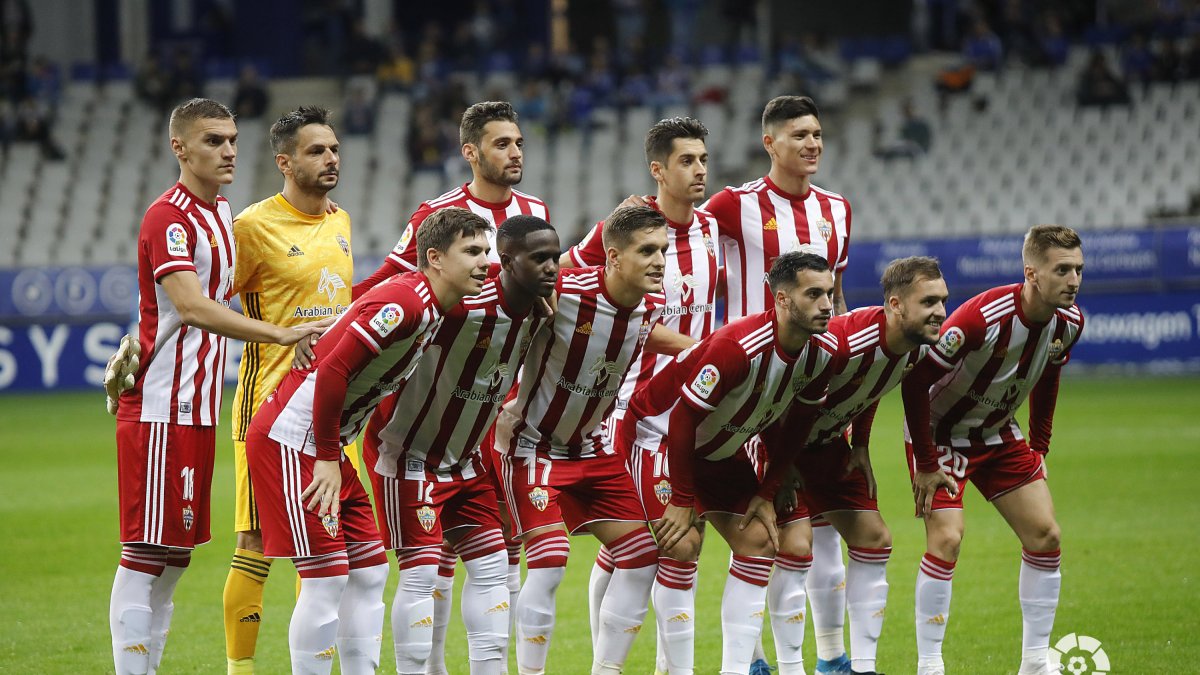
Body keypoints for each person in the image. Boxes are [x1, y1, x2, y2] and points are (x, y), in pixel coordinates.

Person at [107, 98, 323, 675]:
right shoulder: (168, 216)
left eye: (231, 139)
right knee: (145, 556)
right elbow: (192, 305)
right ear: (179, 148)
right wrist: (279, 332)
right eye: (212, 141)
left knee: (175, 557)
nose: (228, 150)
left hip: (199, 406)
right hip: (160, 405)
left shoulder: (221, 213)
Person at [245, 207, 494, 674]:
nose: (484, 262)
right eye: (473, 252)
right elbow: (333, 372)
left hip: (326, 445)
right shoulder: (407, 304)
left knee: (369, 571)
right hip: (292, 441)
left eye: (486, 250)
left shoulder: (436, 301)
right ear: (436, 258)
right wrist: (324, 457)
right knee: (324, 580)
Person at [355, 99, 550, 673]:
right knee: (428, 561)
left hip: (481, 417)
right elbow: (389, 287)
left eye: (518, 143)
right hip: (421, 413)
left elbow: (541, 299)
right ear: (471, 152)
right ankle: (431, 665)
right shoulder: (438, 214)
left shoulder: (534, 211)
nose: (514, 153)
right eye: (500, 144)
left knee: (493, 558)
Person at [620, 251, 844, 675]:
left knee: (758, 541)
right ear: (781, 299)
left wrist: (766, 490)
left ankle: (735, 670)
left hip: (720, 448)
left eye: (829, 293)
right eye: (813, 294)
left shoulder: (821, 354)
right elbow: (683, 418)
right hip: (659, 437)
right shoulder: (737, 346)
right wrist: (683, 498)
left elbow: (797, 426)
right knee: (682, 545)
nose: (826, 305)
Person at [492, 205, 694, 674]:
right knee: (548, 561)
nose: (660, 260)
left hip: (592, 449)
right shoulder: (563, 292)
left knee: (642, 556)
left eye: (663, 249)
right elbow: (507, 285)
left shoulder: (647, 306)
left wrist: (697, 346)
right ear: (613, 256)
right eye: (646, 250)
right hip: (530, 446)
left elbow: (643, 334)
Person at [701, 94, 855, 674]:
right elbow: (678, 235)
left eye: (817, 133)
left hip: (813, 385)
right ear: (770, 143)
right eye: (799, 135)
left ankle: (834, 656)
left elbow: (837, 298)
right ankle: (760, 658)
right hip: (750, 391)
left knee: (824, 527)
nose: (812, 143)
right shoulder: (732, 205)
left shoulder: (838, 209)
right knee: (769, 529)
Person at [561, 116, 718, 675]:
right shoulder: (622, 229)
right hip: (636, 407)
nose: (699, 170)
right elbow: (567, 286)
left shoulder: (709, 231)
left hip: (695, 406)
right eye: (686, 161)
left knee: (648, 547)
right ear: (658, 169)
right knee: (672, 546)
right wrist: (704, 347)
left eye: (703, 159)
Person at [901, 225, 1086, 675]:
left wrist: (1039, 444)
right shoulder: (981, 317)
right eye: (1062, 270)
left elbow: (1048, 372)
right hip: (940, 434)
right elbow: (915, 381)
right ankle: (930, 665)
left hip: (999, 435)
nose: (1074, 280)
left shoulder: (1070, 322)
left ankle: (1036, 663)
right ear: (1032, 273)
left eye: (1078, 269)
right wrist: (925, 462)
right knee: (946, 539)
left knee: (1046, 536)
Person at [221, 105, 353, 675]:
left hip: (329, 412)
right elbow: (204, 300)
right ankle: (240, 668)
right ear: (284, 161)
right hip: (265, 410)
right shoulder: (252, 228)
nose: (330, 160)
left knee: (324, 546)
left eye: (334, 149)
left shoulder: (341, 221)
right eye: (316, 151)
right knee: (254, 543)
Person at [782, 256, 949, 675]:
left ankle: (861, 668)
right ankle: (787, 667)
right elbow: (780, 397)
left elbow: (881, 386)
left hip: (827, 445)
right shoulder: (843, 343)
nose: (941, 312)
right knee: (795, 546)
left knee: (874, 539)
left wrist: (861, 443)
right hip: (776, 443)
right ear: (895, 305)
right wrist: (779, 465)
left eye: (943, 300)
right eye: (928, 301)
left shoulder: (910, 349)